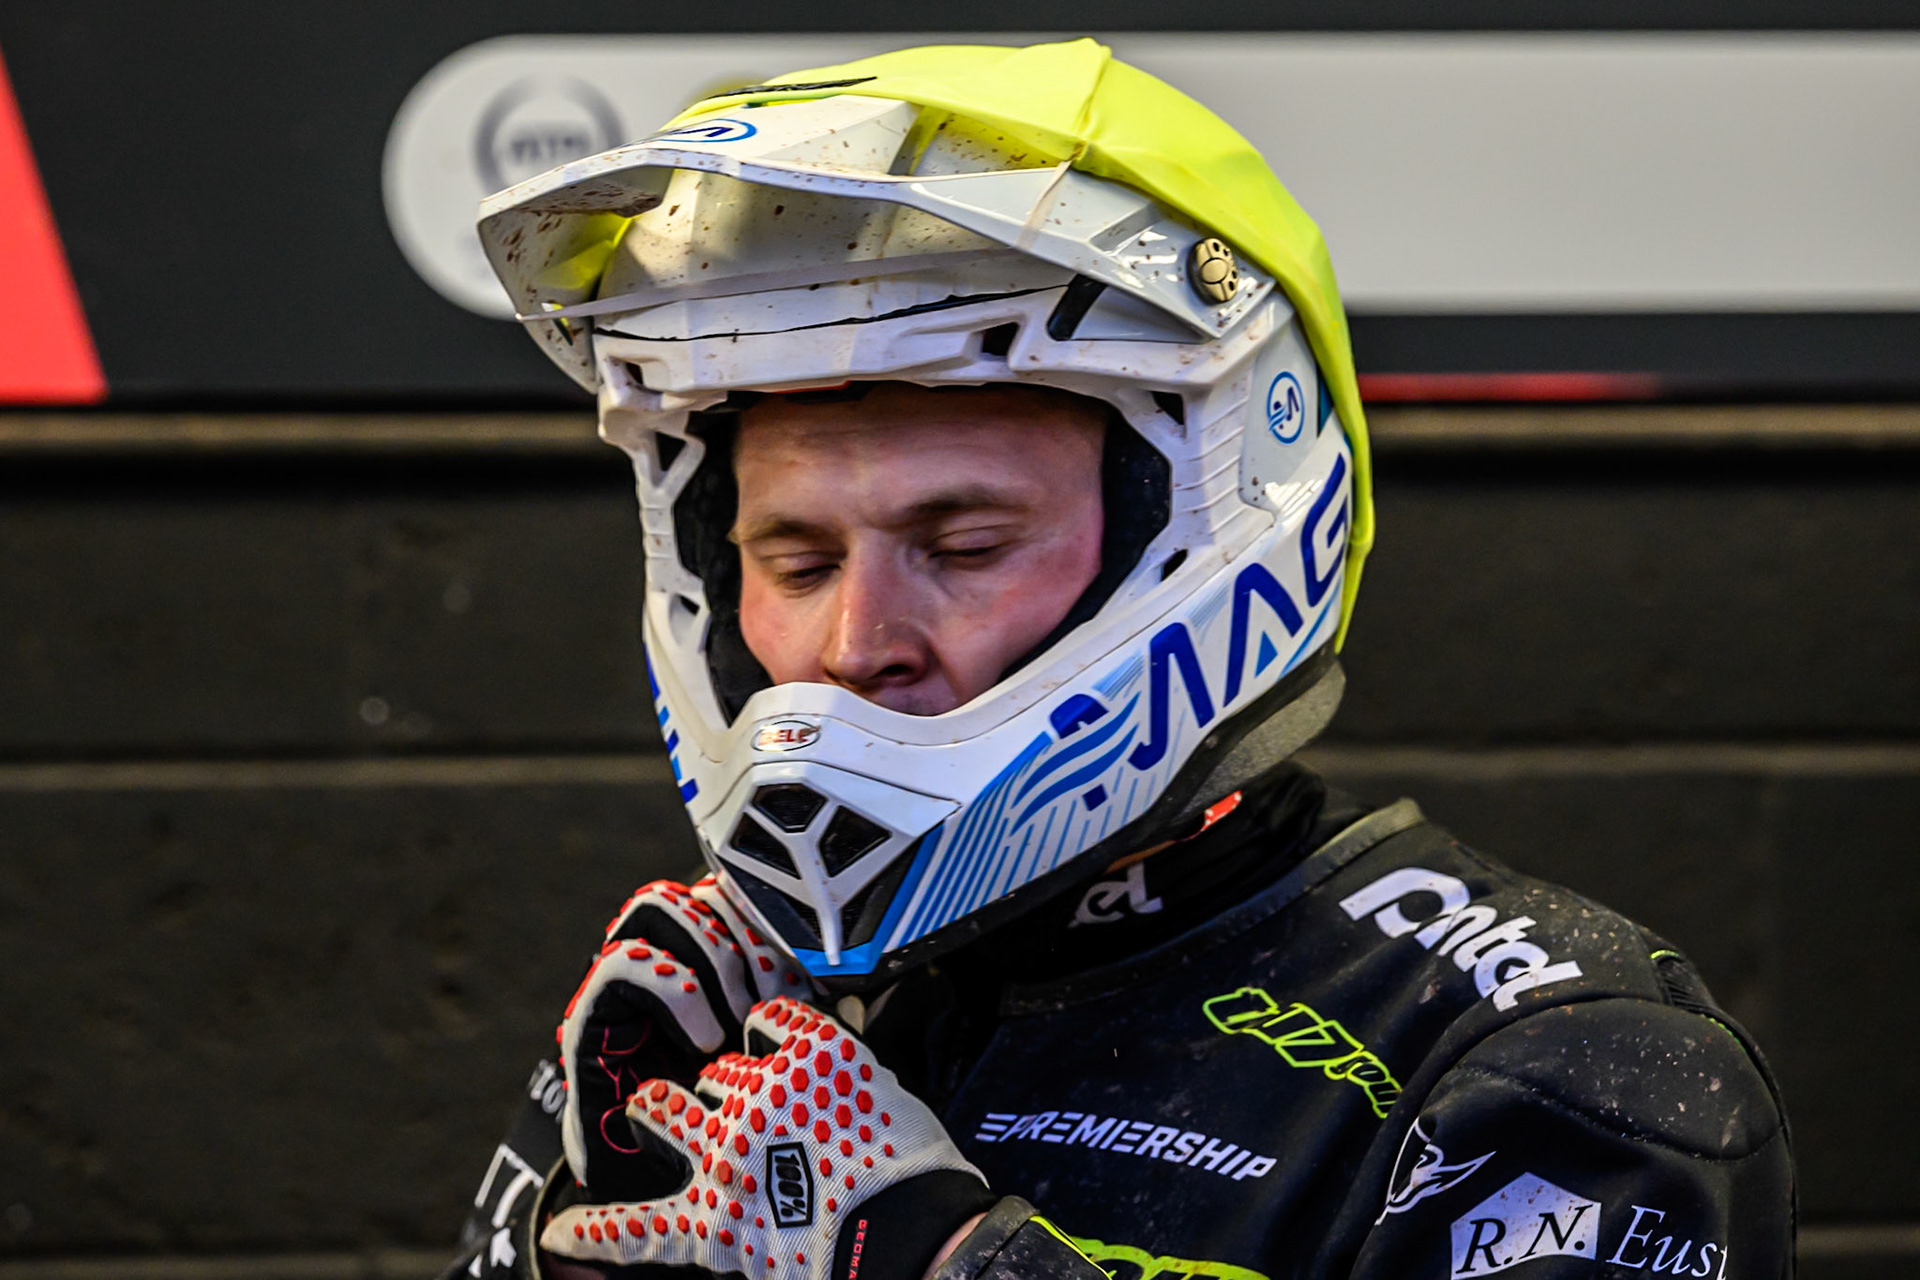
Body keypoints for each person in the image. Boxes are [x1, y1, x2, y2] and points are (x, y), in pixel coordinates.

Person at [445, 40, 1793, 1280]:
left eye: (965, 547)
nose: (854, 647)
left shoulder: (1547, 1060)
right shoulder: (730, 1032)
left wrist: (954, 1266)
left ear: (1207, 529)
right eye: (795, 563)